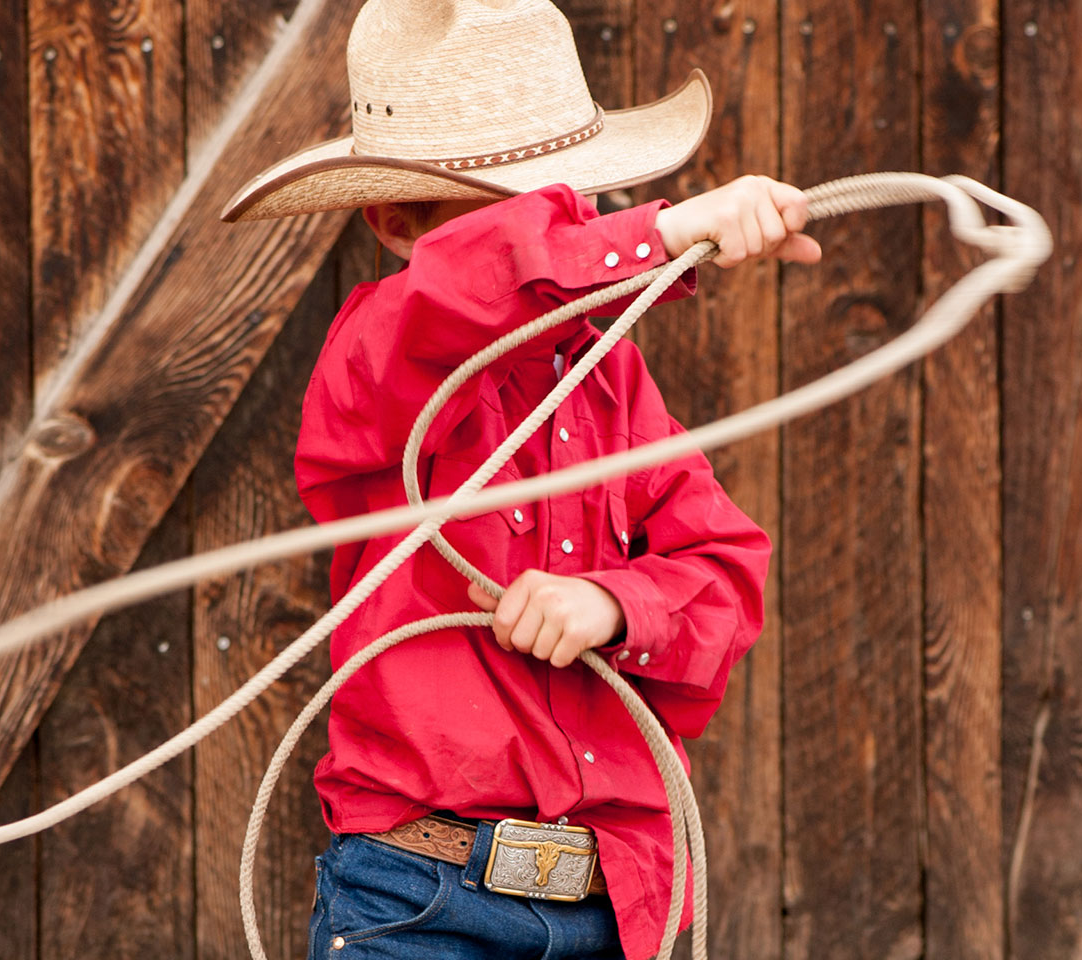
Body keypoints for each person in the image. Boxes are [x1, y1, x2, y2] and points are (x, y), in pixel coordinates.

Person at [222, 0, 819, 956]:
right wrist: (656, 235)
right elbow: (463, 289)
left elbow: (727, 567)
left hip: (609, 900)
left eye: (576, 196)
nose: (569, 225)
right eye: (526, 205)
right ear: (399, 220)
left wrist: (615, 602)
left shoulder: (608, 375)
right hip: (420, 898)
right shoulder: (375, 355)